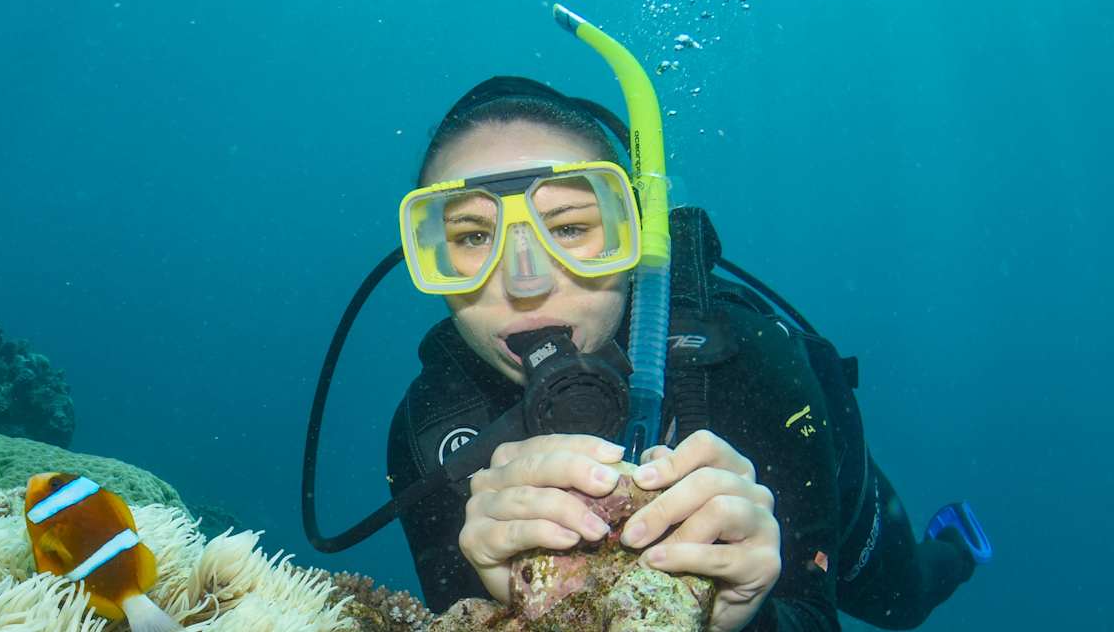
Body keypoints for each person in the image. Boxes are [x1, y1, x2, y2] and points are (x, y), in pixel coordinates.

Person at [381, 72, 988, 630]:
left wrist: (744, 619)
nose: (525, 281)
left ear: (637, 235)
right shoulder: (431, 431)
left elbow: (813, 614)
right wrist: (500, 605)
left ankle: (956, 548)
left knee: (900, 600)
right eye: (472, 237)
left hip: (837, 511)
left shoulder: (746, 363)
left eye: (569, 227)